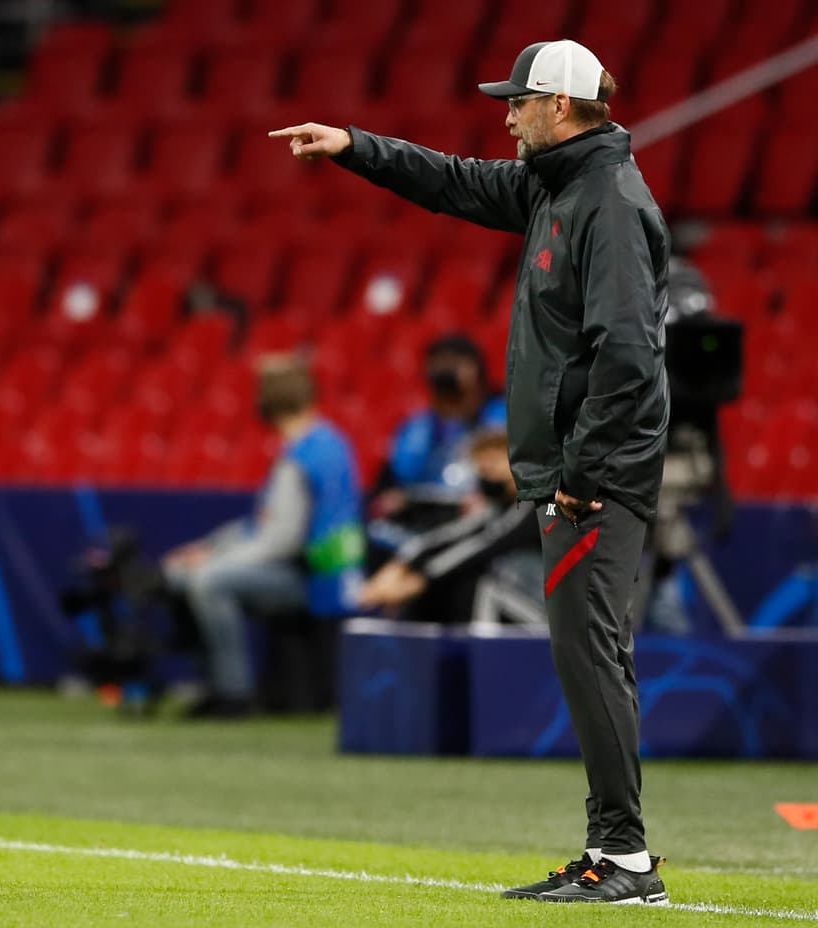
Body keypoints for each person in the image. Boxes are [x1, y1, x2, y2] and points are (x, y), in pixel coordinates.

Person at [270, 38, 671, 905]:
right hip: (579, 471)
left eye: (519, 102)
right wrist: (355, 144)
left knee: (589, 655)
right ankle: (619, 852)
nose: (507, 115)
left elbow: (631, 357)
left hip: (593, 478)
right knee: (591, 654)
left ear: (559, 107)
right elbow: (452, 180)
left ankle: (624, 859)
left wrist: (582, 471)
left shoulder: (605, 200)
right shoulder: (559, 186)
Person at [164, 354, 364, 718]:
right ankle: (214, 682)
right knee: (183, 573)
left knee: (206, 580)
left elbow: (280, 540)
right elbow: (262, 524)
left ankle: (232, 691)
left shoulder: (305, 454)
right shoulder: (327, 444)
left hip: (311, 578)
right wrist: (210, 546)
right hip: (321, 571)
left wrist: (214, 559)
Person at [359, 429, 540, 624]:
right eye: (483, 472)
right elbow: (449, 536)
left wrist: (422, 578)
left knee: (477, 585)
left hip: (542, 608)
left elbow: (485, 545)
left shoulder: (535, 507)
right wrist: (401, 565)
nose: (488, 479)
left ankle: (481, 651)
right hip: (517, 598)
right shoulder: (495, 507)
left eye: (493, 469)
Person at [365, 334, 506, 569]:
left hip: (482, 521)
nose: (446, 376)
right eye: (439, 367)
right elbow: (393, 480)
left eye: (455, 365)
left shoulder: (502, 417)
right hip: (427, 518)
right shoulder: (419, 427)